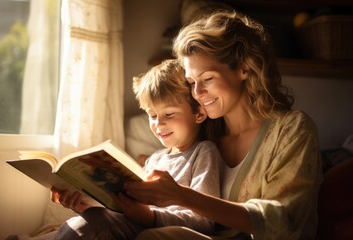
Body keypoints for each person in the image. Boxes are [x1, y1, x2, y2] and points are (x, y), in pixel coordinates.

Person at [125, 10, 323, 240]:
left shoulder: (292, 130)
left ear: (243, 68)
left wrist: (182, 196)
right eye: (191, 82)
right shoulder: (205, 131)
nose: (198, 93)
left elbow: (284, 221)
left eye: (207, 79)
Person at [43, 59, 225, 239]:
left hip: (151, 228)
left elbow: (204, 221)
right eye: (152, 115)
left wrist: (151, 217)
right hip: (123, 224)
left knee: (89, 224)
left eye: (169, 114)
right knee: (77, 223)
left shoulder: (204, 152)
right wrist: (83, 206)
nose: (159, 123)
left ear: (199, 113)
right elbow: (124, 211)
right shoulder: (155, 158)